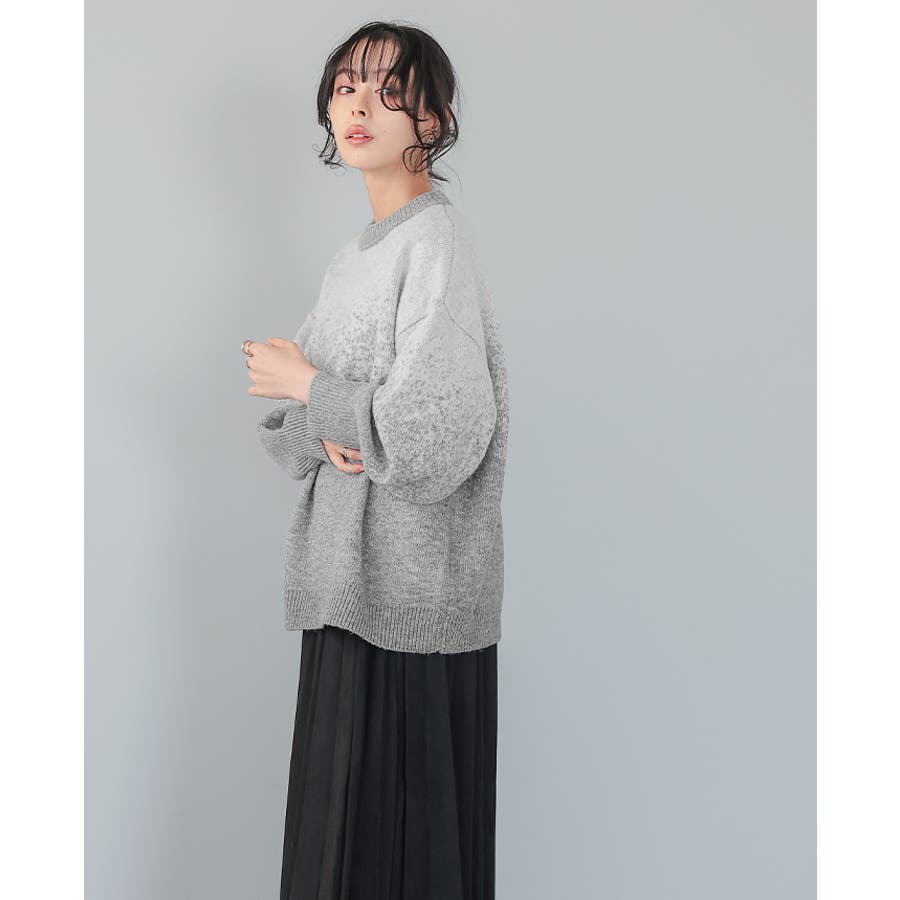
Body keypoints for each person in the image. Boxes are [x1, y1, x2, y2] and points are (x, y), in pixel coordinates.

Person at [242, 21, 509, 900]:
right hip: (342, 592)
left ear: (433, 119)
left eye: (388, 89)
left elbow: (437, 431)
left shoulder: (437, 243)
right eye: (345, 85)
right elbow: (291, 432)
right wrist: (320, 412)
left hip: (412, 602)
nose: (358, 103)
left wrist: (311, 386)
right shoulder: (352, 261)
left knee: (397, 864)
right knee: (339, 861)